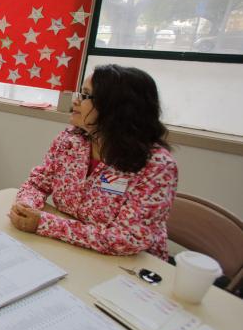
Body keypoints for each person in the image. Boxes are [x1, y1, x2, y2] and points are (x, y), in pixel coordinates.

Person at [9, 65, 178, 259]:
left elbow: (127, 239)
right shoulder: (70, 140)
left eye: (86, 95)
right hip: (71, 248)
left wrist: (45, 224)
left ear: (115, 108)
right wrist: (26, 206)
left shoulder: (157, 166)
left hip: (130, 264)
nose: (76, 101)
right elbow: (37, 184)